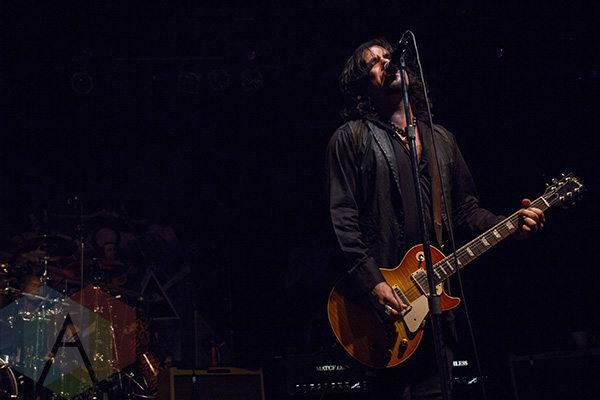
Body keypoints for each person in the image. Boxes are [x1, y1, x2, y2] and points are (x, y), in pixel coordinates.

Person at [325, 38, 545, 399]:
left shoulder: (441, 140)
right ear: (364, 85)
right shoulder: (351, 138)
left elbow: (465, 211)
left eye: (388, 56)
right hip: (379, 311)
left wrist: (509, 226)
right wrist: (371, 283)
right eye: (374, 63)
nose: (386, 62)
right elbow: (341, 220)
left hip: (435, 311)